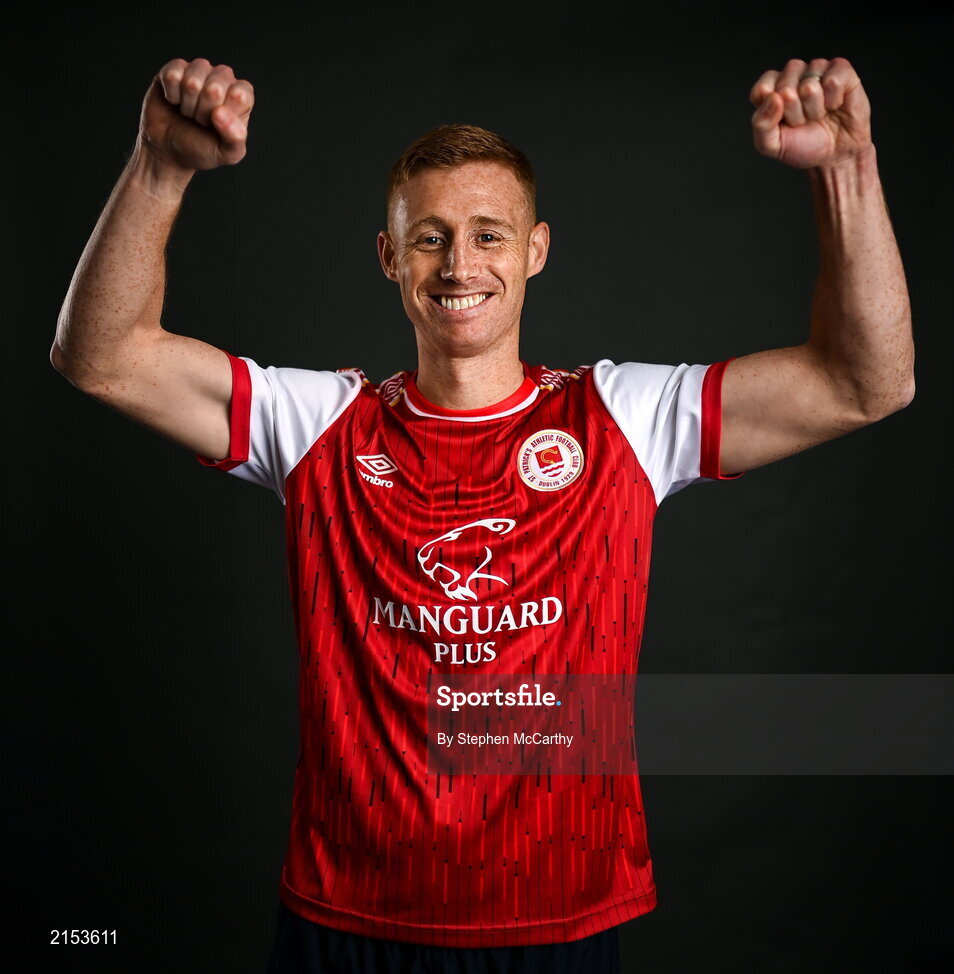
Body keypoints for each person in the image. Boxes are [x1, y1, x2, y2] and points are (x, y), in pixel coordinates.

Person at [51, 55, 913, 973]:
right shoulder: (318, 427)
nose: (460, 263)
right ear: (389, 257)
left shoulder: (623, 420)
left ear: (535, 250)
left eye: (489, 235)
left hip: (560, 922)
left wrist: (845, 170)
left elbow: (866, 383)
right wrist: (160, 166)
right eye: (429, 238)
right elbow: (99, 356)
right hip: (349, 922)